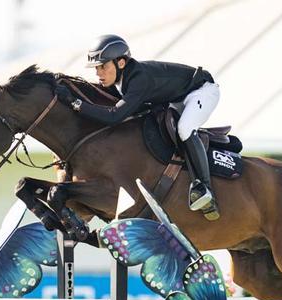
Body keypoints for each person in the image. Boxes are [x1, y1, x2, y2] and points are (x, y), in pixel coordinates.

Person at [54, 34, 221, 218]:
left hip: (202, 92)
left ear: (121, 63)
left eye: (103, 66)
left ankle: (203, 188)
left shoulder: (138, 79)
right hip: (176, 98)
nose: (99, 73)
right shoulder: (120, 79)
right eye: (96, 68)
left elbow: (114, 116)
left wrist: (75, 104)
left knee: (184, 128)